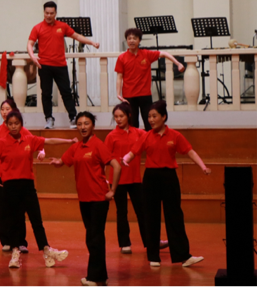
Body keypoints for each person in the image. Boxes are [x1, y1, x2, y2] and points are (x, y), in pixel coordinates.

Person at [122, 101, 209, 268]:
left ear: (164, 117)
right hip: (151, 178)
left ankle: (184, 256)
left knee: (174, 216)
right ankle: (153, 256)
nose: (151, 119)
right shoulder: (146, 136)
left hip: (169, 177)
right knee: (151, 216)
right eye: (149, 116)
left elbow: (190, 151)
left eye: (154, 116)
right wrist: (125, 159)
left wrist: (203, 166)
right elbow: (133, 152)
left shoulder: (175, 136)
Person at [0, 110, 74, 269]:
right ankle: (15, 254)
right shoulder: (1, 142)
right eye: (10, 124)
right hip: (10, 187)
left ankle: (46, 250)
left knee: (36, 220)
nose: (13, 126)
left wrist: (69, 141)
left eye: (16, 123)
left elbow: (49, 141)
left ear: (21, 124)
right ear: (6, 125)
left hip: (27, 186)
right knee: (13, 221)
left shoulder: (29, 140)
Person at [49, 112, 121, 287]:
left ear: (93, 126)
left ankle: (95, 278)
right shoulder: (77, 147)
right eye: (80, 124)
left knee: (95, 238)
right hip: (84, 199)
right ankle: (100, 276)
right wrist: (57, 162)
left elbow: (116, 166)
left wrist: (112, 190)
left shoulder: (98, 145)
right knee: (92, 237)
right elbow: (64, 161)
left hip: (98, 198)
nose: (83, 127)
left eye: (86, 123)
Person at [0, 99, 42, 253]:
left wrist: (42, 152)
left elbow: (38, 144)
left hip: (16, 176)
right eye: (2, 109)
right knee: (2, 209)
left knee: (19, 210)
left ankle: (20, 242)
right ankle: (6, 241)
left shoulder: (22, 130)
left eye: (8, 108)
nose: (5, 112)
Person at [105, 102, 166, 254]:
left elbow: (153, 138)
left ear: (129, 116)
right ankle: (125, 243)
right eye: (116, 117)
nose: (118, 119)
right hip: (117, 180)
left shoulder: (139, 133)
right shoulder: (111, 136)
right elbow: (104, 159)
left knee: (142, 211)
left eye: (121, 116)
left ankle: (151, 242)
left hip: (135, 179)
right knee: (122, 212)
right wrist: (104, 179)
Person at [28, 1, 100, 129]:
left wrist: (92, 43)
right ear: (43, 12)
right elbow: (30, 43)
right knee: (46, 94)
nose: (49, 15)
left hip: (60, 65)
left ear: (55, 13)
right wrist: (32, 56)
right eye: (46, 13)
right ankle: (49, 118)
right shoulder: (37, 28)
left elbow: (77, 36)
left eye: (51, 13)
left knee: (66, 92)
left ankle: (73, 118)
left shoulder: (62, 26)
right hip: (44, 66)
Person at [116, 28, 184, 130]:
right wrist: (118, 94)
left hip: (145, 94)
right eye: (129, 38)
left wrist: (178, 63)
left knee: (149, 124)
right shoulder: (122, 58)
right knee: (132, 125)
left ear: (139, 40)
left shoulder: (146, 54)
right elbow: (119, 77)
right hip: (128, 96)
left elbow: (164, 54)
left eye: (134, 38)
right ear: (126, 40)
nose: (131, 41)